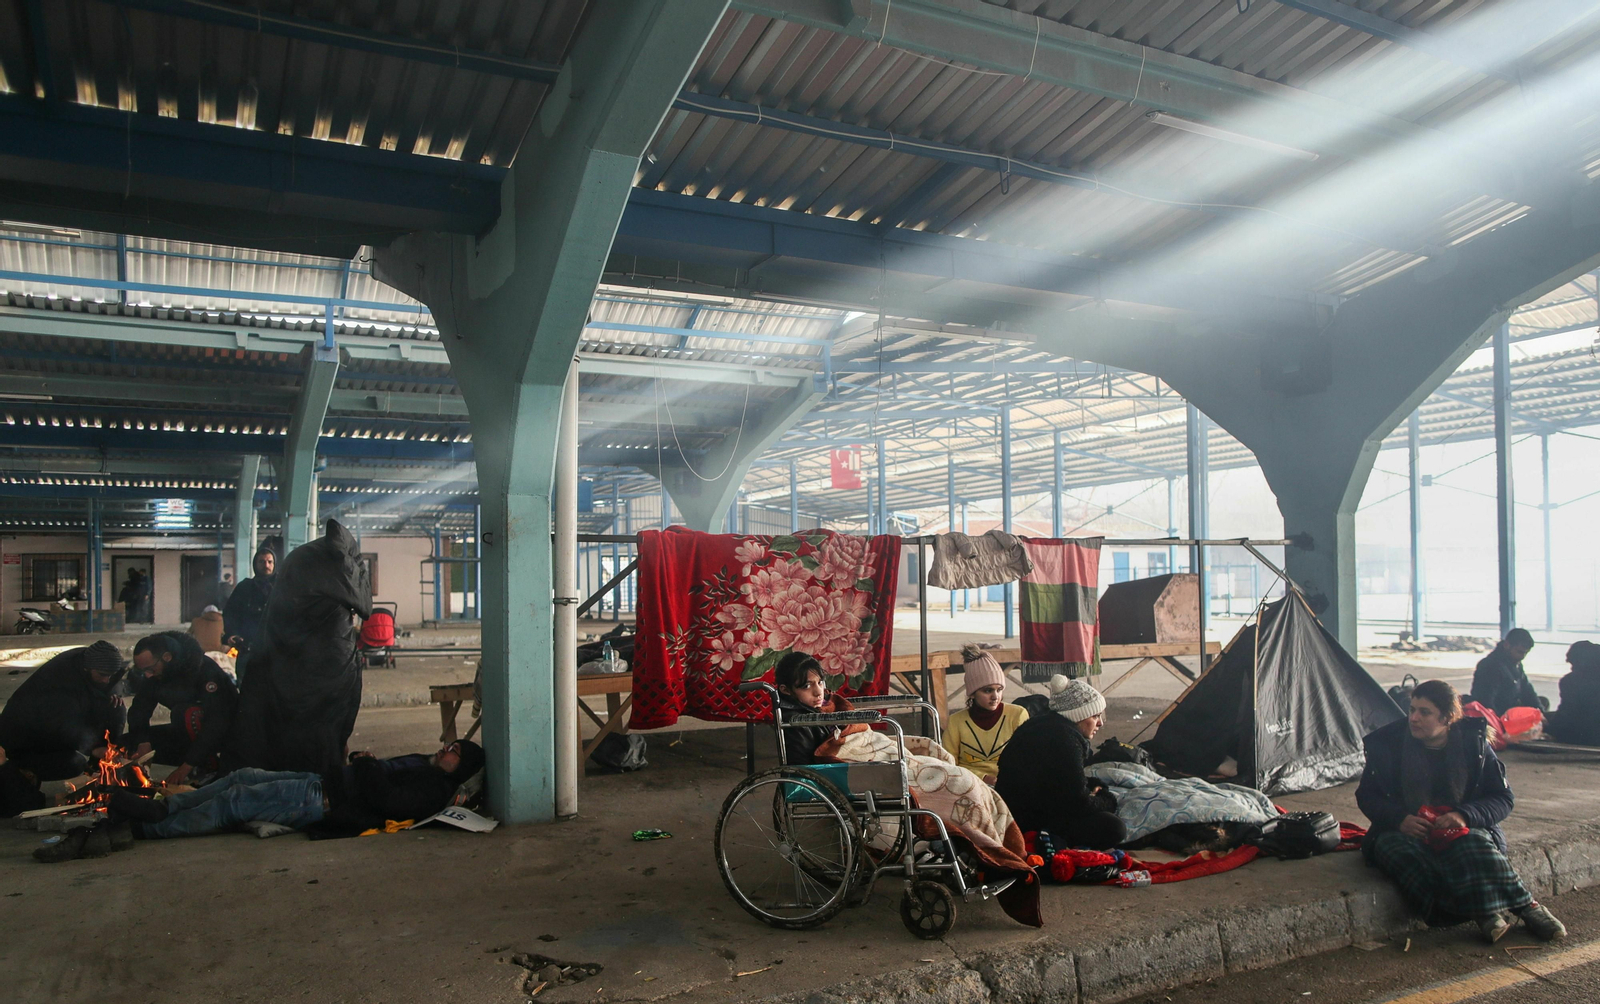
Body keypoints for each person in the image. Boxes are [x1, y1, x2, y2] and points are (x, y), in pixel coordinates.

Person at [1356, 679, 1564, 943]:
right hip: (1405, 829)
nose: (1414, 718)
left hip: (1461, 825)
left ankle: (1527, 907)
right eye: (1412, 710)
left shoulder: (1474, 745)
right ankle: (1484, 911)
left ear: (1448, 718)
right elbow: (1367, 796)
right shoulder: (1388, 744)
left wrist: (1465, 816)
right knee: (1400, 852)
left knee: (1472, 844)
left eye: (1425, 712)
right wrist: (1400, 820)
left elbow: (1502, 798)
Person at [105, 740, 484, 840]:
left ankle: (148, 827)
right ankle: (166, 809)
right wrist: (364, 761)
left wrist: (366, 764)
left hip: (320, 801)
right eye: (448, 745)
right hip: (319, 781)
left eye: (453, 753)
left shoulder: (434, 788)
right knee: (244, 776)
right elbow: (377, 772)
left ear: (460, 769)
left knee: (235, 802)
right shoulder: (424, 763)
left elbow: (385, 799)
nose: (445, 750)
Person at [994, 675, 1126, 849]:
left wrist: (1091, 788)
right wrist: (1107, 799)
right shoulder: (1065, 740)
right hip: (1028, 822)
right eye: (1095, 716)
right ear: (1078, 715)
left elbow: (1064, 782)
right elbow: (1079, 803)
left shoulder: (1040, 724)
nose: (1100, 723)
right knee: (1114, 828)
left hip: (1014, 811)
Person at [0, 641, 126, 781]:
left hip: (58, 728)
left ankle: (106, 762)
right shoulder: (58, 680)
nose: (106, 680)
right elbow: (61, 724)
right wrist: (94, 748)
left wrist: (114, 693)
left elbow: (114, 680)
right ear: (87, 668)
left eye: (110, 675)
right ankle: (18, 770)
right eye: (103, 675)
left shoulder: (94, 659)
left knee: (116, 707)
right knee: (75, 763)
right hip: (27, 742)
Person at [126, 632, 239, 788]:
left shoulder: (204, 670)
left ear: (167, 657)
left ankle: (209, 769)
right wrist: (142, 741)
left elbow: (217, 722)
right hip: (185, 736)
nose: (147, 675)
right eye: (143, 671)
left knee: (186, 713)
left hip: (221, 737)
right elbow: (139, 708)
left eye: (150, 669)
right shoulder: (154, 675)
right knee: (125, 744)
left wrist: (186, 767)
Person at [943, 645, 1028, 783]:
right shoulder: (955, 722)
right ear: (972, 693)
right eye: (988, 691)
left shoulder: (1017, 715)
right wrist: (982, 778)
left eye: (999, 689)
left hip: (1011, 785)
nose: (995, 696)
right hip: (969, 785)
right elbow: (948, 765)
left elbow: (1027, 759)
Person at [223, 540, 279, 677]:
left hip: (276, 650)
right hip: (248, 648)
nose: (266, 565)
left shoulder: (282, 587)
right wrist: (232, 634)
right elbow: (230, 613)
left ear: (274, 564)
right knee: (247, 688)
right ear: (255, 564)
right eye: (262, 562)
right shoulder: (244, 588)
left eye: (269, 562)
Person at [1471, 628, 1540, 716]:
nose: (1522, 657)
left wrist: (1540, 712)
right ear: (1507, 645)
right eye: (1519, 652)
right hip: (1500, 713)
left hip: (1511, 708)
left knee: (1542, 702)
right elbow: (1485, 701)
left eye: (1525, 653)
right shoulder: (1489, 666)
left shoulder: (1515, 664)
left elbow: (1528, 691)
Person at [1545, 640, 1600, 746]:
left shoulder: (1571, 681)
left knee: (1546, 719)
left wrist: (1548, 729)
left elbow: (1566, 713)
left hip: (1584, 736)